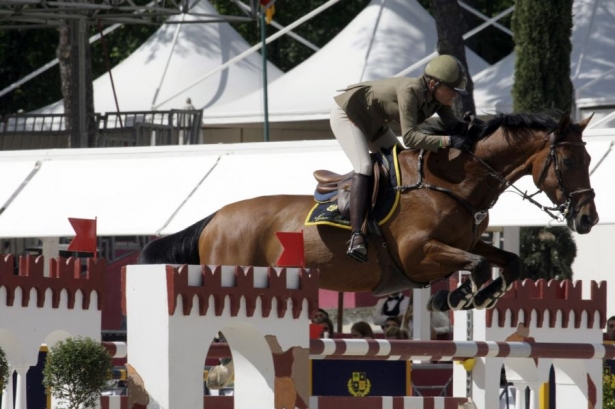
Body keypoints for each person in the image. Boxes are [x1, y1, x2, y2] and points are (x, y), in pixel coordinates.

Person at [330, 54, 470, 262]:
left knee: (403, 165)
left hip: (375, 125)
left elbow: (455, 126)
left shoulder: (437, 99)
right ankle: (357, 235)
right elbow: (411, 138)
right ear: (433, 83)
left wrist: (474, 130)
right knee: (364, 166)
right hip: (349, 116)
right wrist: (448, 142)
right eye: (451, 89)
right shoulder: (410, 91)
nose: (454, 96)